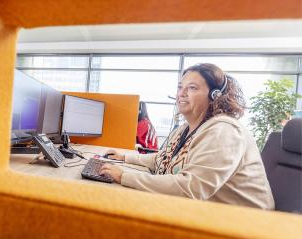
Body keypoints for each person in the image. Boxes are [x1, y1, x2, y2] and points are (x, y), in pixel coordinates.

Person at [100, 63, 274, 210]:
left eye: (192, 88)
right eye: (180, 87)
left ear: (215, 96)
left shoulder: (223, 131)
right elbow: (164, 159)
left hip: (242, 223)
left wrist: (124, 176)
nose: (181, 93)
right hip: (205, 212)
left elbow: (191, 188)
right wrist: (125, 157)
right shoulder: (187, 128)